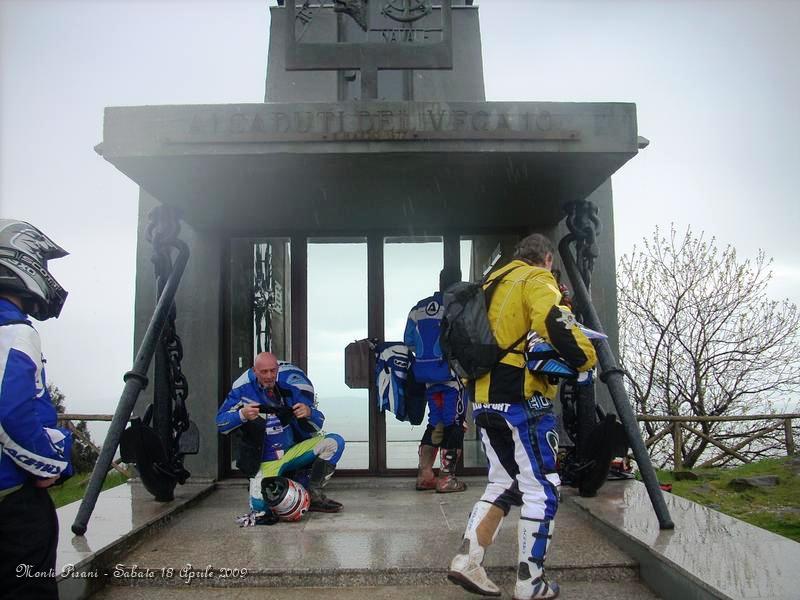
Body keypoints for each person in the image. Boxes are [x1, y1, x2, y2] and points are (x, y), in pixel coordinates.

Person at [448, 233, 597, 600]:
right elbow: (555, 321)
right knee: (542, 488)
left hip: (484, 399)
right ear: (547, 258)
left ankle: (467, 561)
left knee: (501, 482)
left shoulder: (491, 281)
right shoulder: (535, 278)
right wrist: (587, 359)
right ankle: (531, 582)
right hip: (521, 400)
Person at [0, 219, 73, 599]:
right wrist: (51, 465)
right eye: (41, 263)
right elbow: (10, 413)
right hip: (12, 497)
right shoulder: (14, 331)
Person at [216, 352, 345, 517]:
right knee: (261, 510)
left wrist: (309, 413)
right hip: (264, 462)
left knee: (334, 442)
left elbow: (317, 424)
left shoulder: (289, 391)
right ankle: (270, 486)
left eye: (272, 371)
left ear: (277, 370)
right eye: (264, 372)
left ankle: (313, 494)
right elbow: (221, 423)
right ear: (254, 371)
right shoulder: (242, 392)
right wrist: (241, 415)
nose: (269, 376)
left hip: (291, 453)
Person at [404, 266, 467, 493]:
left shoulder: (418, 308)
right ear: (459, 283)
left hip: (427, 377)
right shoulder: (458, 306)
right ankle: (447, 479)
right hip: (451, 376)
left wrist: (426, 359)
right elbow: (466, 339)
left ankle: (425, 475)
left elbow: (409, 341)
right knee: (455, 423)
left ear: (440, 282)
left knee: (436, 421)